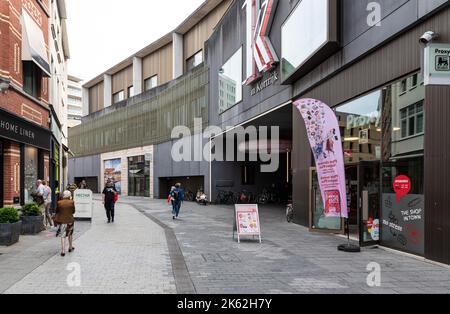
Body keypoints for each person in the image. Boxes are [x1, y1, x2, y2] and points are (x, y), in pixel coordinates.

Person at [53, 191, 75, 257]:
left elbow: (57, 211)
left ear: (63, 195)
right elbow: (73, 211)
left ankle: (63, 251)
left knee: (63, 235)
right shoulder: (72, 202)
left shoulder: (59, 202)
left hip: (62, 221)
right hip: (70, 220)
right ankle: (70, 247)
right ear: (69, 195)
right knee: (70, 234)